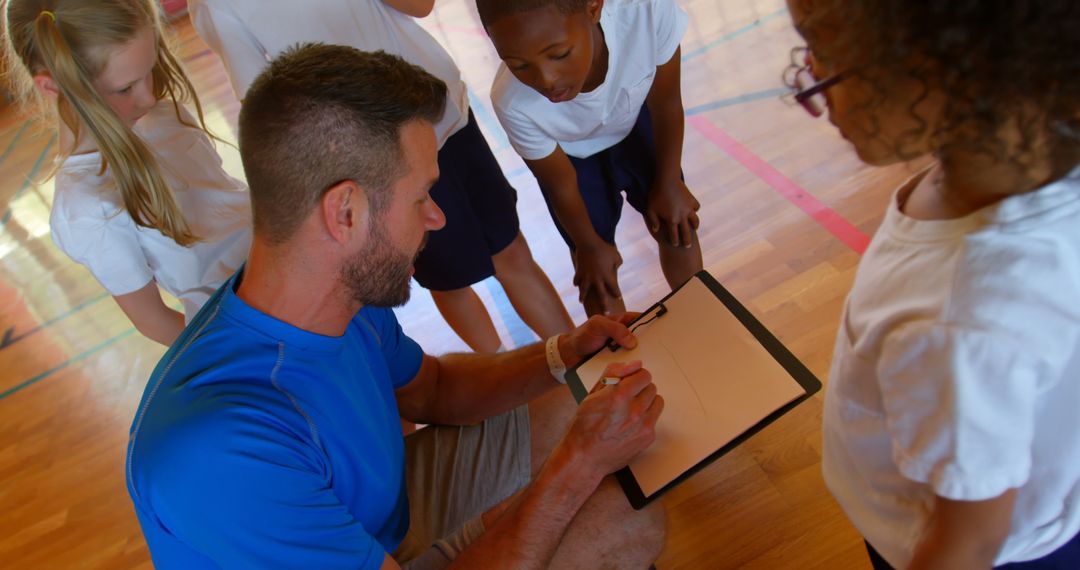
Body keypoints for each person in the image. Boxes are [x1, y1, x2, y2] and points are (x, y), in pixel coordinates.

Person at [126, 44, 667, 569]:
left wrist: (561, 354)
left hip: (382, 517)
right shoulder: (219, 449)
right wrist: (575, 469)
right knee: (624, 517)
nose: (437, 218)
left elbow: (433, 389)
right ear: (346, 213)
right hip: (367, 539)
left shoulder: (336, 289)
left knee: (584, 398)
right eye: (421, 196)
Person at [784, 0, 1080, 568]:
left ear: (948, 66)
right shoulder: (1036, 160)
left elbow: (969, 540)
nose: (810, 74)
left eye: (825, 52)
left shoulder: (960, 320)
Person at [187, 0, 573, 354]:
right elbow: (264, 99)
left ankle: (580, 358)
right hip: (376, 158)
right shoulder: (215, 5)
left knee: (510, 247)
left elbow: (421, 6)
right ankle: (503, 374)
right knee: (449, 280)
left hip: (441, 112)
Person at [1, 0, 251, 346]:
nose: (148, 97)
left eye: (149, 69)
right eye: (125, 88)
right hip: (249, 323)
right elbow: (154, 320)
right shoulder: (85, 206)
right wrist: (240, 351)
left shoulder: (161, 114)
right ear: (54, 85)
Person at [476, 0, 704, 317]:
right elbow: (560, 184)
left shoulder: (646, 11)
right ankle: (619, 345)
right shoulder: (512, 102)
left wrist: (669, 184)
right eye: (519, 66)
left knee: (677, 223)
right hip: (571, 159)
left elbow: (666, 103)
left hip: (634, 122)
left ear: (594, 8)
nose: (546, 79)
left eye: (559, 54)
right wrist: (588, 246)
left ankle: (703, 317)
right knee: (596, 277)